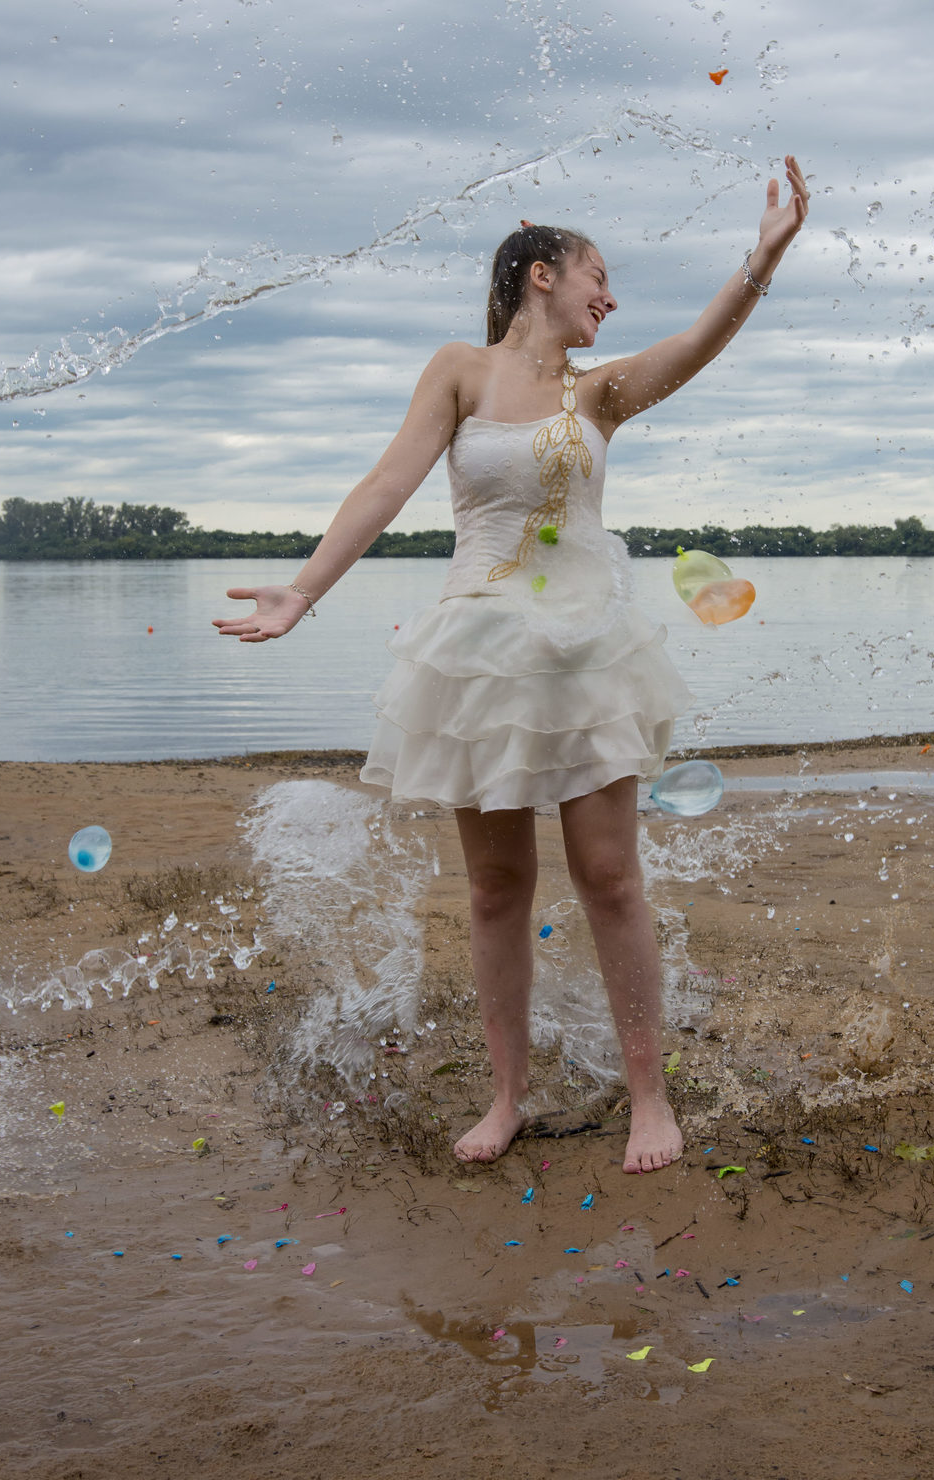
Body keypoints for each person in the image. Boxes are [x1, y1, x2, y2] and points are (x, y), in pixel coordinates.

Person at [213, 155, 809, 1172]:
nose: (609, 297)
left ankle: (648, 1098)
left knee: (610, 874)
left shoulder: (602, 392)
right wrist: (304, 591)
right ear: (541, 273)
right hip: (478, 650)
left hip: (583, 650)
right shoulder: (459, 369)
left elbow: (697, 345)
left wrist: (759, 262)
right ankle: (507, 1097)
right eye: (597, 276)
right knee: (496, 890)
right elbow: (387, 484)